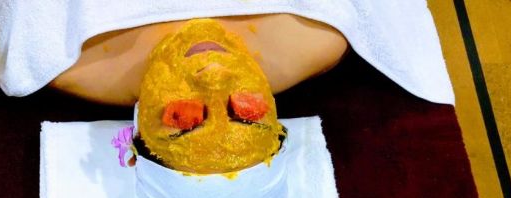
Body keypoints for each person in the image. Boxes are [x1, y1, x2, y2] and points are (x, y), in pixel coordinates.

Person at [49, 14, 349, 105]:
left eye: (183, 118)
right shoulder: (317, 37)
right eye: (243, 112)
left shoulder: (59, 53)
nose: (211, 71)